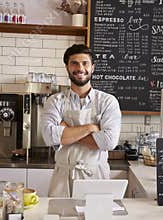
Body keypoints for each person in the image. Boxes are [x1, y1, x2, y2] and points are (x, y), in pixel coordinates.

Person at [41, 44, 122, 197]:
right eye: (74, 63)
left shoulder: (107, 101)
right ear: (67, 67)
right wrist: (91, 127)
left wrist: (65, 131)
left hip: (95, 176)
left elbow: (109, 142)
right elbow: (49, 136)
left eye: (85, 63)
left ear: (93, 67)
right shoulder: (54, 101)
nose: (80, 68)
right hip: (63, 176)